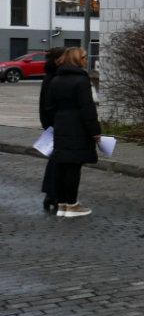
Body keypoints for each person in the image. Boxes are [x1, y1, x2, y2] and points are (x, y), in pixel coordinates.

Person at [40, 47, 100, 218]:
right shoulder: (81, 80)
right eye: (83, 57)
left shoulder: (56, 80)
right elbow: (87, 108)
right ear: (76, 60)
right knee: (73, 166)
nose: (86, 60)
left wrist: (55, 123)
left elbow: (49, 107)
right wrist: (95, 131)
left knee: (61, 166)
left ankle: (62, 204)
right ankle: (72, 205)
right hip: (77, 127)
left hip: (60, 126)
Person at [38, 46, 65, 214]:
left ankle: (51, 193)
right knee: (58, 160)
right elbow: (48, 105)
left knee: (55, 160)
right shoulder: (53, 78)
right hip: (56, 125)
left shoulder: (51, 76)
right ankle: (53, 194)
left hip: (54, 124)